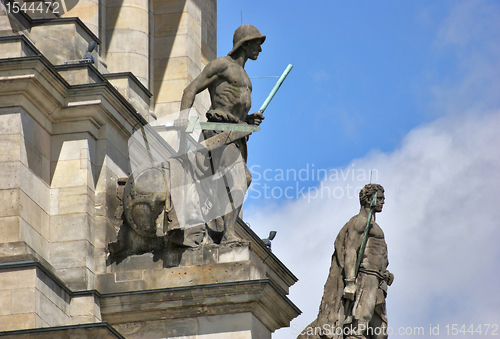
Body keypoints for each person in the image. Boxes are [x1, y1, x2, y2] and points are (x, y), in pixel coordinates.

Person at [179, 24, 266, 243]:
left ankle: (226, 231)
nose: (260, 49)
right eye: (257, 44)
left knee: (237, 181)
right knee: (242, 177)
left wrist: (247, 120)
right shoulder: (222, 65)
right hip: (219, 133)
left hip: (237, 136)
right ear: (245, 44)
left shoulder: (246, 77)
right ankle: (228, 234)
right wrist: (184, 125)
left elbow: (235, 109)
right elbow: (190, 90)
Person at [298, 184, 394, 339]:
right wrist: (350, 282)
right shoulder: (360, 222)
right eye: (380, 198)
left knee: (380, 333)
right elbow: (350, 251)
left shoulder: (373, 225)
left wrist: (386, 274)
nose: (383, 202)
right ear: (369, 199)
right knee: (359, 326)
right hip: (366, 278)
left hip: (378, 281)